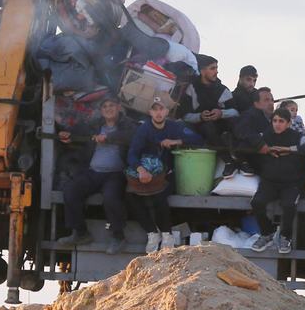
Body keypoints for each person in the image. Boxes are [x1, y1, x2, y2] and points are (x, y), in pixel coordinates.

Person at [56, 98, 137, 254]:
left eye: (111, 105)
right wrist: (67, 136)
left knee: (111, 197)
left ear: (119, 107)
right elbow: (77, 133)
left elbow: (132, 136)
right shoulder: (94, 125)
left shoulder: (127, 124)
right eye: (104, 106)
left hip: (116, 173)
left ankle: (118, 236)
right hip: (93, 172)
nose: (108, 108)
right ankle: (80, 233)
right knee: (71, 190)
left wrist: (109, 138)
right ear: (101, 111)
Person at [127, 99, 204, 253]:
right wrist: (141, 169)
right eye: (155, 109)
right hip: (146, 173)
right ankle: (152, 233)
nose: (158, 112)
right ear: (150, 112)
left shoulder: (175, 126)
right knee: (129, 197)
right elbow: (132, 154)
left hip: (167, 173)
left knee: (160, 196)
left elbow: (198, 139)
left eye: (161, 109)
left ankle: (167, 235)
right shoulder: (144, 129)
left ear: (167, 112)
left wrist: (176, 141)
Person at [248, 108, 305, 253]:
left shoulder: (297, 136)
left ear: (288, 123)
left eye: (281, 121)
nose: (277, 124)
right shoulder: (265, 136)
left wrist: (290, 149)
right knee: (257, 202)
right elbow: (249, 140)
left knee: (288, 205)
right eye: (275, 121)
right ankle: (267, 233)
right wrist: (265, 148)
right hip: (269, 182)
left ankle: (285, 237)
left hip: (292, 183)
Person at [179, 54, 239, 172]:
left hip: (219, 124)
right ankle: (228, 161)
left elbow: (235, 112)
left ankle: (240, 160)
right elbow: (184, 115)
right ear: (202, 71)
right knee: (206, 127)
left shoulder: (222, 90)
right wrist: (200, 117)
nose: (216, 72)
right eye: (212, 68)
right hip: (199, 126)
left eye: (216, 68)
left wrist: (221, 113)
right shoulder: (192, 89)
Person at [232, 87, 275, 175]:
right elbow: (241, 130)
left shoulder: (275, 119)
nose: (271, 103)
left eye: (272, 100)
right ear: (256, 104)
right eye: (266, 100)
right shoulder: (249, 115)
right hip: (255, 158)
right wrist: (260, 144)